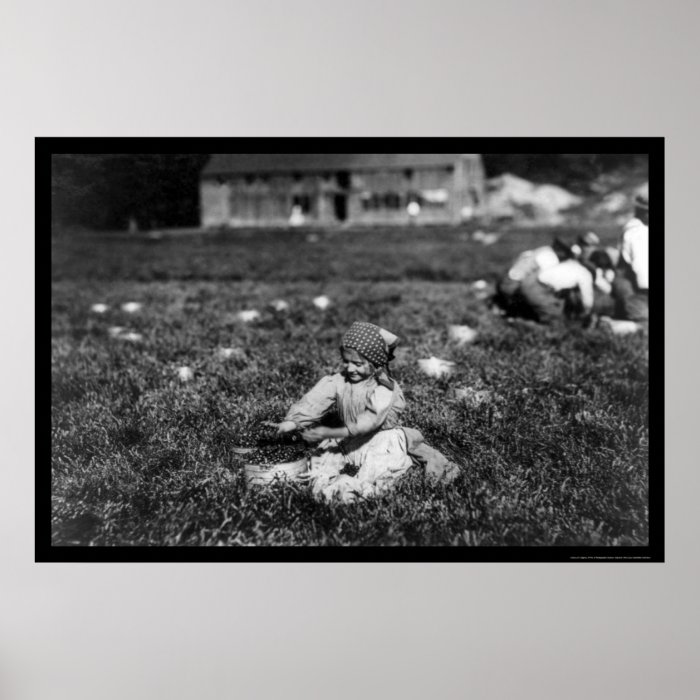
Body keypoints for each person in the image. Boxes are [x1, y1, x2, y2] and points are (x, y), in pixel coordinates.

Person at [271, 321, 459, 504]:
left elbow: (370, 421)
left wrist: (331, 432)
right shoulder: (338, 381)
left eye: (358, 364)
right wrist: (292, 423)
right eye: (346, 362)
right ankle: (328, 486)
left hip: (380, 440)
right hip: (348, 439)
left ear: (376, 363)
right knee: (322, 463)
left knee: (376, 472)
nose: (350, 368)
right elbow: (315, 401)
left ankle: (356, 491)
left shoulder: (385, 388)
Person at [517, 249, 616, 325]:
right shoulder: (585, 275)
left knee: (550, 308)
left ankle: (523, 317)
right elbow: (587, 301)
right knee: (555, 322)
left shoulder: (572, 264)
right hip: (538, 289)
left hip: (529, 282)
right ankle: (520, 324)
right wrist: (586, 315)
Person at [494, 237, 573, 315]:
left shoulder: (544, 249)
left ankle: (502, 306)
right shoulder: (550, 257)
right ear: (562, 251)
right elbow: (544, 278)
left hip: (504, 278)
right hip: (512, 285)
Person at [612, 183, 649, 327]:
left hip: (628, 286)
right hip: (635, 288)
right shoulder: (639, 234)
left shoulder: (633, 228)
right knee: (644, 326)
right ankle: (612, 328)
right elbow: (642, 267)